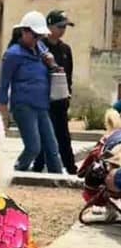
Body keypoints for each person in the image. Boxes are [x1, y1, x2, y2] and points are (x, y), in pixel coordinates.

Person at [0, 11, 63, 173]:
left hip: (42, 105)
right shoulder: (12, 54)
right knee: (33, 147)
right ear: (25, 31)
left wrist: (52, 63)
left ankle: (60, 179)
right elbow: (3, 85)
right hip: (24, 106)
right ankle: (17, 172)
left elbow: (53, 73)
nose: (37, 40)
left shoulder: (42, 51)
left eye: (40, 36)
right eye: (35, 36)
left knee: (52, 148)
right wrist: (3, 114)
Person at [32, 10, 77, 174]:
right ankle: (38, 167)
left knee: (63, 135)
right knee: (44, 134)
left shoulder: (65, 49)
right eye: (60, 26)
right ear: (49, 27)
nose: (63, 30)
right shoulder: (39, 48)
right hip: (44, 99)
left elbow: (69, 75)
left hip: (60, 99)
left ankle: (71, 168)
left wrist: (68, 94)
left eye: (65, 27)